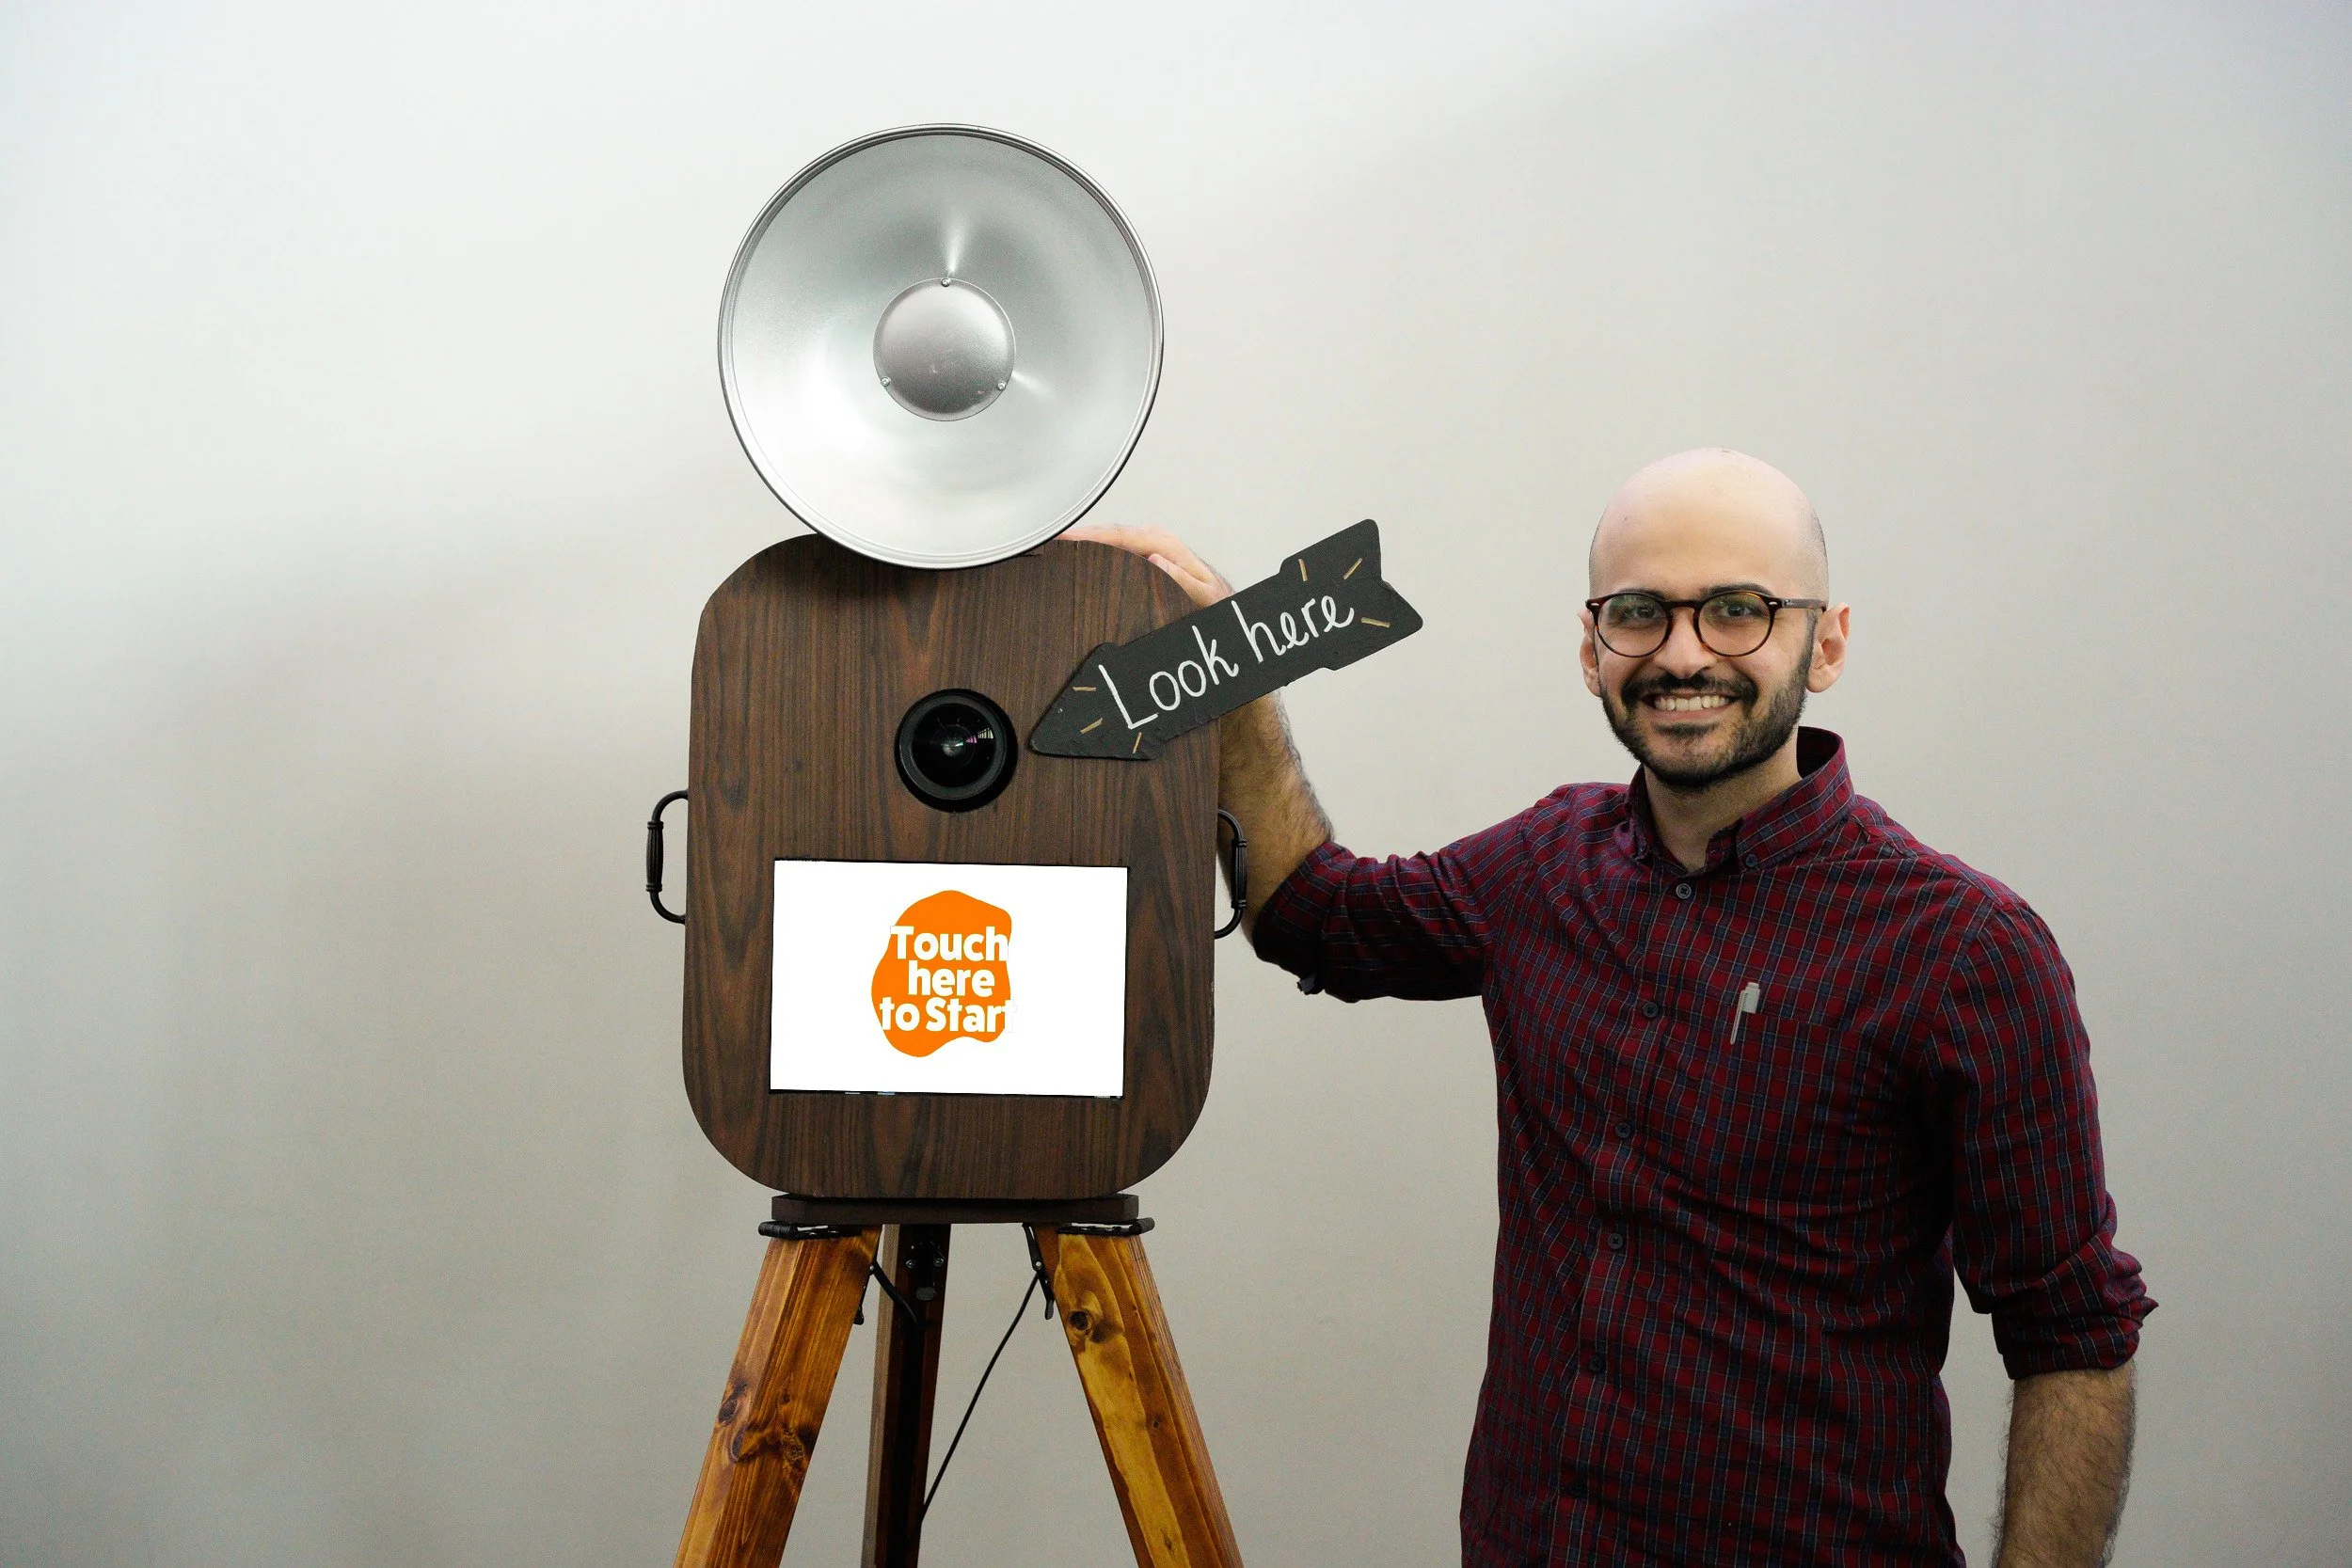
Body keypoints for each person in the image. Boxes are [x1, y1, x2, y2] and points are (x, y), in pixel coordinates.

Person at [1068, 449, 2152, 1568]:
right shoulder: (1545, 863)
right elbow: (1316, 917)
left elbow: (2071, 1337)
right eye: (1639, 612)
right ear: (1591, 649)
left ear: (1824, 643)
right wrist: (1226, 661)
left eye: (1739, 610)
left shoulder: (1964, 950)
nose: (1683, 653)